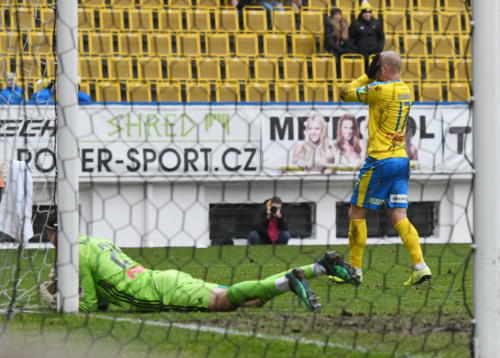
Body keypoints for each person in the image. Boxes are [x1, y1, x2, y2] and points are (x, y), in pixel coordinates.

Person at [39, 211, 360, 313]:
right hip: (161, 278)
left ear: (54, 235)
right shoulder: (94, 240)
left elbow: (93, 304)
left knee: (226, 301)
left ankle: (292, 279)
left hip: (157, 293)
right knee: (248, 300)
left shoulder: (72, 253)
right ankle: (317, 268)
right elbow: (107, 292)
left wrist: (63, 301)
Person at [339, 51, 432, 286]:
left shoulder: (379, 90)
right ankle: (420, 266)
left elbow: (345, 93)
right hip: (401, 160)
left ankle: (354, 271)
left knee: (356, 213)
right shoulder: (405, 91)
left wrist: (365, 76)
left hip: (379, 160)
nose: (376, 70)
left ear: (386, 68)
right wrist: (375, 78)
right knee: (399, 214)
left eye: (378, 67)